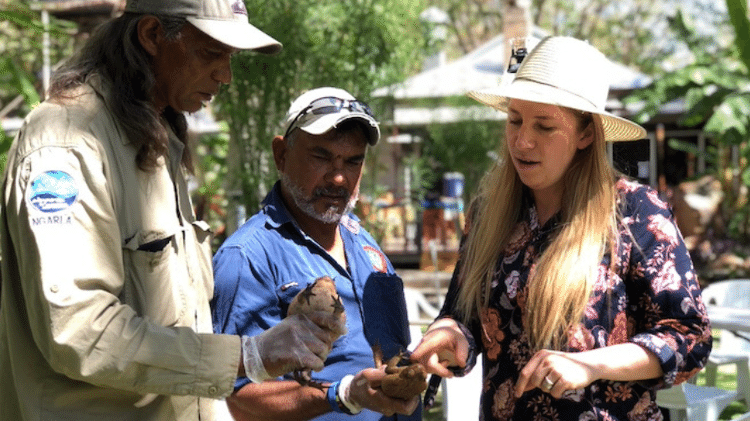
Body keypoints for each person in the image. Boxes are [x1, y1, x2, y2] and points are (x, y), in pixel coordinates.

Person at [0, 1, 344, 420]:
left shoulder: (153, 135)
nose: (226, 75)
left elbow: (181, 335)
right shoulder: (67, 144)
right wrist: (247, 355)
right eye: (212, 52)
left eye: (230, 57)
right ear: (151, 35)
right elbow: (76, 330)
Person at [410, 36, 713, 420]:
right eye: (515, 120)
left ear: (586, 134)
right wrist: (449, 336)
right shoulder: (488, 213)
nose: (522, 140)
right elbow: (463, 315)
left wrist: (591, 365)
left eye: (545, 127)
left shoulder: (635, 212)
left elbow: (689, 338)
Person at [211, 87, 422, 421]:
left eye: (353, 161)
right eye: (321, 157)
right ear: (281, 155)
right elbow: (238, 398)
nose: (339, 177)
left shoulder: (364, 243)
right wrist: (342, 396)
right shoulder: (247, 256)